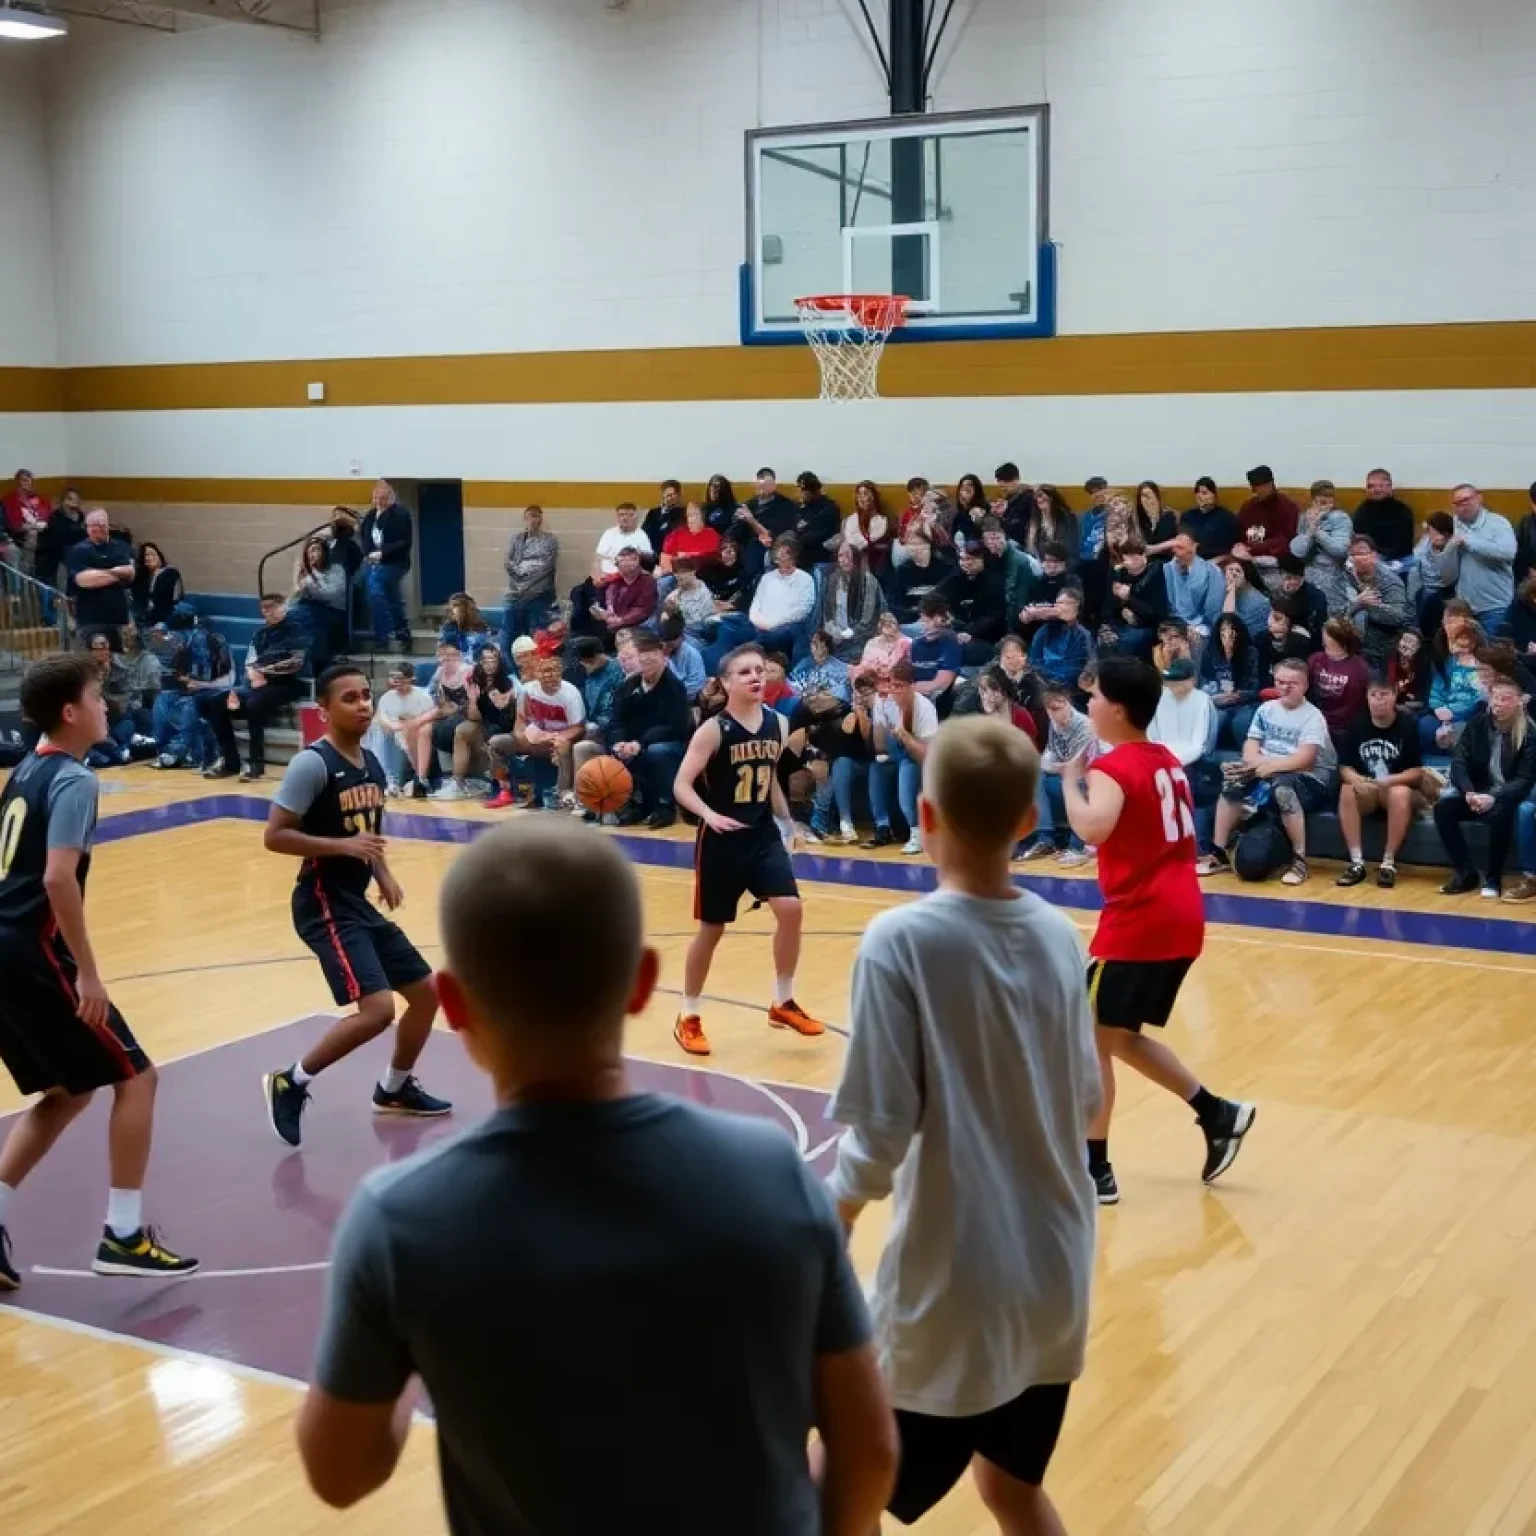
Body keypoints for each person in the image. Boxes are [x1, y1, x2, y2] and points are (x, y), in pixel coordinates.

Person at [300, 816, 896, 1533]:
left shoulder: (400, 1222)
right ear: (642, 983)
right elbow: (869, 1450)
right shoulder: (772, 1171)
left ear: (454, 1006)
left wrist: (401, 1334)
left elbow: (338, 1475)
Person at [829, 715, 1097, 1536]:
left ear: (925, 812)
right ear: (1028, 820)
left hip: (955, 1290)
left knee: (832, 1500)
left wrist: (823, 1230)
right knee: (1011, 1491)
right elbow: (1087, 1096)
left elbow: (876, 1133)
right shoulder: (1057, 932)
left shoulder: (900, 941)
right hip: (1057, 1270)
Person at [0, 655, 199, 1289]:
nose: (107, 706)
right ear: (70, 712)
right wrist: (87, 973)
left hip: (3, 948)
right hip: (33, 952)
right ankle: (123, 1235)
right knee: (137, 1078)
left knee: (68, 1090)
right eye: (97, 697)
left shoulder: (25, 769)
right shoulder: (74, 779)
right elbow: (58, 878)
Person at [1058, 654, 1256, 1205]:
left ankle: (1094, 1169)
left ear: (1116, 709)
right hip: (1182, 915)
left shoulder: (1111, 769)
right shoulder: (1164, 759)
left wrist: (1071, 783)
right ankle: (1218, 1113)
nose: (1087, 705)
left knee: (1089, 1039)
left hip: (1139, 919)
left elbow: (1094, 829)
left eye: (1093, 697)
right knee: (1117, 1036)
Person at [261, 665, 450, 1148]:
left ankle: (394, 1089)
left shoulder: (370, 762)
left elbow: (368, 831)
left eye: (367, 695)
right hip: (322, 902)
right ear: (324, 710)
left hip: (356, 901)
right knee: (377, 1010)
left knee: (427, 994)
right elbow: (275, 836)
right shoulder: (313, 764)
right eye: (349, 698)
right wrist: (344, 849)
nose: (363, 704)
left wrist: (382, 872)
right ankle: (291, 1081)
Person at [671, 644, 824, 1056]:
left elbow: (769, 778)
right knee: (711, 931)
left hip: (760, 835)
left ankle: (783, 1001)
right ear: (725, 683)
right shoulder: (712, 730)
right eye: (745, 672)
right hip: (720, 839)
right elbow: (681, 784)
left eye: (760, 670)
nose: (756, 677)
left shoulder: (778, 722)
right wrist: (709, 815)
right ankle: (688, 1016)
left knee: (791, 909)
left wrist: (788, 824)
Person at [1198, 657, 1336, 885]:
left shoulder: (1313, 717)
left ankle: (1299, 860)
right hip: (1269, 769)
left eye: (1292, 683)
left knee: (1283, 789)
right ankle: (1219, 852)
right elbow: (1251, 746)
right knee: (1233, 781)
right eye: (1280, 681)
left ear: (1305, 685)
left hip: (1310, 780)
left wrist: (1265, 767)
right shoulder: (1266, 709)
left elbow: (1305, 760)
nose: (1285, 687)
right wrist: (1250, 766)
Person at [1433, 676, 1536, 898]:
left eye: (1506, 699)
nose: (1499, 704)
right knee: (1443, 809)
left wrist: (1494, 796)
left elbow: (1525, 779)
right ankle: (1465, 871)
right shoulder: (1477, 724)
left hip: (1510, 795)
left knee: (1502, 812)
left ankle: (1493, 877)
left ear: (1519, 702)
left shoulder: (1529, 732)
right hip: (1479, 792)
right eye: (1495, 698)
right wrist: (1469, 792)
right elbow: (1459, 762)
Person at [1335, 677, 1436, 889]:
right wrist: (1356, 779)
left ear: (1394, 697)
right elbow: (1344, 766)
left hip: (1401, 790)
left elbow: (1417, 772)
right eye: (1374, 695)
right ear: (1367, 698)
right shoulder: (1358, 723)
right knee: (1346, 789)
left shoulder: (1408, 724)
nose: (1378, 701)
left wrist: (1390, 780)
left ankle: (1388, 863)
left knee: (1399, 792)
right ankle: (1356, 863)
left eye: (1384, 695)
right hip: (1370, 788)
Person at [199, 593, 308, 782]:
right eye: (264, 608)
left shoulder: (295, 630)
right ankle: (230, 761)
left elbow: (296, 663)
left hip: (287, 683)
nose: (268, 612)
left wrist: (265, 672)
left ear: (283, 607)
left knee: (254, 704)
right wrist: (240, 688)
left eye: (272, 607)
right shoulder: (260, 635)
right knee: (216, 702)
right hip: (257, 683)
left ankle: (256, 764)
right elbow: (250, 663)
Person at [611, 631, 691, 827]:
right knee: (615, 751)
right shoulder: (628, 686)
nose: (644, 663)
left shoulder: (674, 687)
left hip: (670, 743)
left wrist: (641, 742)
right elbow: (617, 721)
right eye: (639, 658)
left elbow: (677, 727)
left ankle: (665, 805)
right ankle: (637, 804)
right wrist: (620, 741)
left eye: (650, 657)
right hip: (634, 742)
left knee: (657, 752)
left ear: (661, 657)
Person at [1444, 483, 1517, 633]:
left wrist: (1469, 541)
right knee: (1464, 655)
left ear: (1479, 498)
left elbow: (1508, 552)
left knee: (1492, 654)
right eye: (1457, 503)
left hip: (1494, 606)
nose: (1461, 506)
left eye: (1466, 500)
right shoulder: (1452, 525)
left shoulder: (1497, 523)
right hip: (1464, 608)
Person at [359, 480, 414, 653]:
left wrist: (382, 553)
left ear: (390, 498)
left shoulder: (400, 514)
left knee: (375, 591)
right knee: (392, 598)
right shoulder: (370, 516)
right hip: (373, 562)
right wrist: (369, 554)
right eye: (376, 497)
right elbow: (365, 538)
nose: (378, 501)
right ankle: (402, 632)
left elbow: (404, 542)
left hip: (394, 563)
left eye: (382, 498)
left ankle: (382, 637)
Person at [65, 509, 135, 644]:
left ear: (108, 525)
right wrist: (117, 574)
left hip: (118, 620)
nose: (99, 528)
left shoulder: (121, 547)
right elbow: (83, 581)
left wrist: (96, 573)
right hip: (89, 620)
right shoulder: (78, 550)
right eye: (94, 525)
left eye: (102, 525)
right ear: (88, 528)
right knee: (89, 662)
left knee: (118, 661)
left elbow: (129, 574)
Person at [1343, 533, 1410, 667]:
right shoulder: (1345, 575)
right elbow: (1337, 611)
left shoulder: (1390, 582)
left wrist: (1370, 606)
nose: (1356, 558)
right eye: (1352, 555)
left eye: (1361, 553)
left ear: (1374, 555)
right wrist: (1358, 603)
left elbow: (1398, 616)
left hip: (1380, 645)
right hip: (1346, 641)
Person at [1290, 480, 1355, 616]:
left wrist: (1318, 532)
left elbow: (1340, 551)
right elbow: (1298, 552)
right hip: (1310, 575)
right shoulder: (1305, 518)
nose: (1326, 507)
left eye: (1329, 502)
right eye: (1321, 502)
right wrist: (1309, 531)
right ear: (1313, 501)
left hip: (1333, 577)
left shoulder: (1341, 519)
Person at [370, 661, 435, 796]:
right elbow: (382, 718)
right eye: (394, 678)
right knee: (380, 731)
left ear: (411, 679)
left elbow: (429, 719)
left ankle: (419, 778)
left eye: (401, 679)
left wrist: (407, 725)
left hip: (415, 735)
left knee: (416, 731)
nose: (397, 682)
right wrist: (392, 725)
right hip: (394, 735)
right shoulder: (387, 697)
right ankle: (390, 781)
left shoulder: (422, 697)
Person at [500, 503, 559, 644]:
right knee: (509, 635)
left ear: (541, 519)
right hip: (516, 595)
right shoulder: (517, 539)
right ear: (524, 519)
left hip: (539, 595)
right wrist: (520, 578)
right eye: (529, 517)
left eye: (536, 517)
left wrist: (523, 578)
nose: (532, 520)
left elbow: (546, 566)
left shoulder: (549, 540)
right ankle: (510, 665)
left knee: (536, 635)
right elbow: (508, 562)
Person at [1308, 617, 1371, 745]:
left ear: (1340, 641)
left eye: (1327, 639)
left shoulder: (1361, 668)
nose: (1323, 642)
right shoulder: (1315, 659)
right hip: (1316, 720)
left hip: (1344, 727)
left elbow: (1363, 702)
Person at [291, 536, 348, 671]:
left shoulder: (336, 569)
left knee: (312, 623)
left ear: (325, 552)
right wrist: (298, 580)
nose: (313, 555)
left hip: (332, 609)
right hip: (308, 609)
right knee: (292, 615)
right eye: (310, 551)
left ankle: (319, 664)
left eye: (317, 550)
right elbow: (296, 595)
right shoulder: (304, 571)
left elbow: (330, 595)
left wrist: (314, 575)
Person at [1237, 465, 1302, 569]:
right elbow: (1238, 531)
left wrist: (1255, 549)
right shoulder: (1248, 506)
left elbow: (1286, 539)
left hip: (1274, 557)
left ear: (1270, 484)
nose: (1255, 491)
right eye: (1253, 487)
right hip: (1245, 555)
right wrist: (1239, 546)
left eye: (1258, 487)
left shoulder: (1287, 506)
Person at [1352, 468, 1417, 566]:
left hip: (1397, 559)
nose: (1375, 490)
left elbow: (1403, 544)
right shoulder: (1362, 510)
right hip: (1369, 557)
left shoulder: (1402, 510)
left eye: (1380, 486)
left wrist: (1381, 558)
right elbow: (1357, 537)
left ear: (1390, 487)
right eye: (1371, 486)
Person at [1179, 476, 1239, 558]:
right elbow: (1183, 541)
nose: (1200, 496)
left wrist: (1200, 549)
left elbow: (1227, 549)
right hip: (1190, 559)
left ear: (1214, 495)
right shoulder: (1188, 516)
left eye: (1204, 493)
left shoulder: (1227, 518)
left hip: (1218, 560)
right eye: (1197, 493)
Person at [129, 540, 182, 630]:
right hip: (143, 620)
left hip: (165, 620)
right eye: (146, 556)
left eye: (152, 554)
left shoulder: (171, 573)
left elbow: (176, 601)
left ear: (159, 555)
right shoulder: (141, 578)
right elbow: (137, 602)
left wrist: (157, 574)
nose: (149, 558)